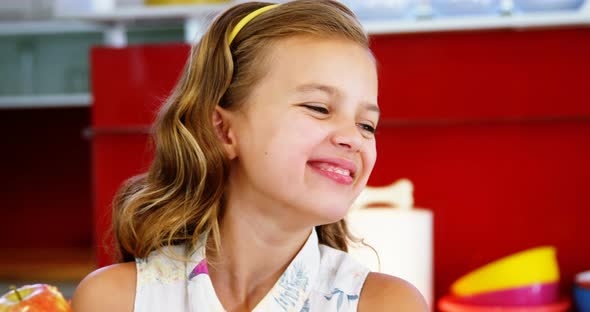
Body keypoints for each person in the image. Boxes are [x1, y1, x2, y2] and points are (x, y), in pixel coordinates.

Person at [71, 1, 428, 311]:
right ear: (223, 131)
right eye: (319, 107)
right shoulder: (115, 300)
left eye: (367, 125)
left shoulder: (387, 305)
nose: (353, 137)